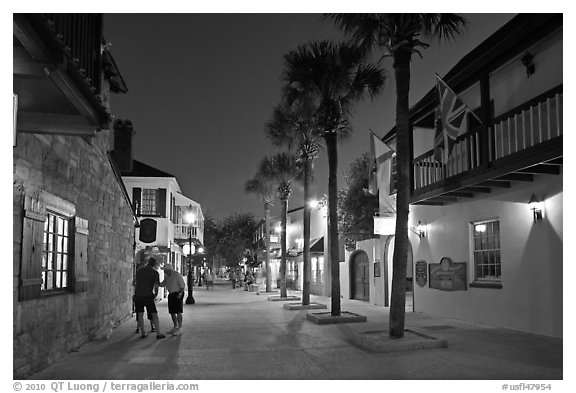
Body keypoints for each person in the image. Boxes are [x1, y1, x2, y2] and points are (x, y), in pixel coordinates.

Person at [134, 258, 166, 339]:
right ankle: (158, 333)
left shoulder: (139, 271)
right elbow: (156, 285)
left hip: (138, 295)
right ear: (155, 264)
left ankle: (143, 332)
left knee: (140, 313)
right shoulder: (154, 273)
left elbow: (134, 282)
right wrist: (155, 295)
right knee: (154, 314)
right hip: (148, 295)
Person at [160, 264, 186, 336]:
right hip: (171, 294)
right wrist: (156, 283)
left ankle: (180, 328)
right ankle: (175, 326)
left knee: (178, 311)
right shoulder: (167, 276)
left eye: (165, 270)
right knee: (172, 312)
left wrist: (180, 294)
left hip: (177, 293)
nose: (164, 271)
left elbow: (182, 286)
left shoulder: (177, 275)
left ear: (169, 269)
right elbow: (163, 284)